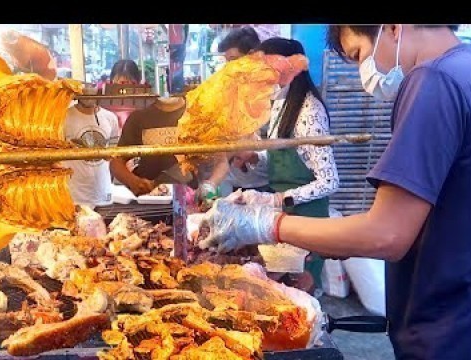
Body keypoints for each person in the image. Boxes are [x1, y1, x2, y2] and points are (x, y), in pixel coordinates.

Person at [201, 25, 471, 360]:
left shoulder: (434, 83)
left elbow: (387, 234)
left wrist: (265, 223)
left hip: (447, 324)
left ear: (392, 28)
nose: (364, 77)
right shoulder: (468, 69)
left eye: (359, 54)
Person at [228, 38, 340, 293]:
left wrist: (282, 199)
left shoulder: (309, 111)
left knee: (300, 295)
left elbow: (330, 180)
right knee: (277, 292)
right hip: (285, 218)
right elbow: (284, 158)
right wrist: (255, 158)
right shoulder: (281, 104)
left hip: (308, 220)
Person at [196, 26, 268, 205]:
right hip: (234, 186)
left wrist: (252, 152)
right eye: (227, 61)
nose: (229, 68)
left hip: (267, 187)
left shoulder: (272, 93)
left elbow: (283, 150)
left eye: (234, 60)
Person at [110, 96, 186, 196]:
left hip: (191, 197)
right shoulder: (138, 118)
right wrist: (133, 181)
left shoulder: (197, 114)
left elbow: (213, 155)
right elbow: (116, 162)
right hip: (151, 197)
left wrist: (210, 183)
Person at [63, 88, 120, 208]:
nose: (89, 93)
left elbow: (114, 152)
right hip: (73, 195)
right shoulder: (64, 118)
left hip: (103, 193)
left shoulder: (110, 118)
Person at [103, 59, 142, 129]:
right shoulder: (102, 102)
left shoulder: (145, 102)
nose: (127, 88)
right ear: (112, 82)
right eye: (122, 83)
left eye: (132, 83)